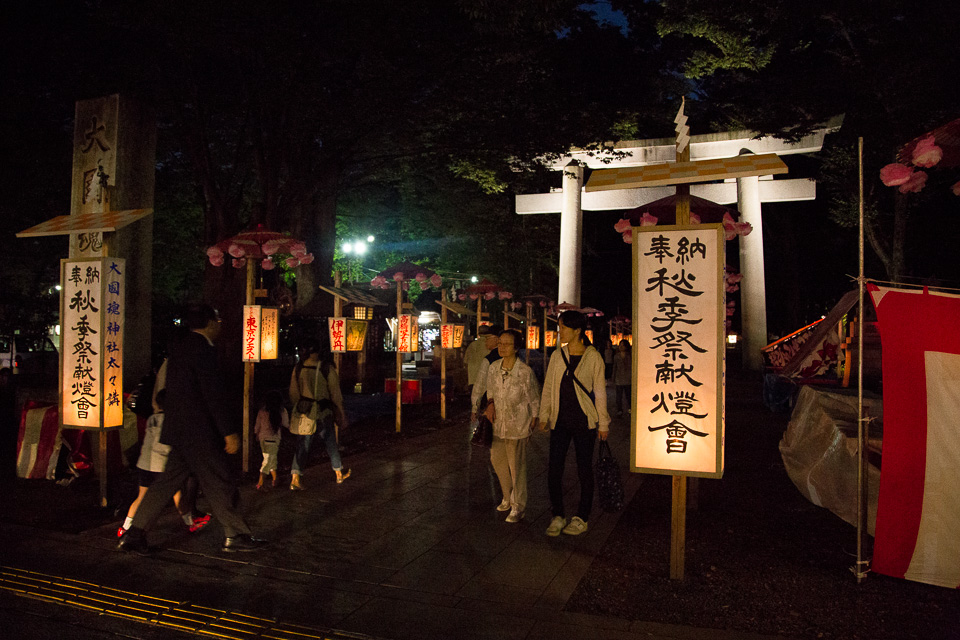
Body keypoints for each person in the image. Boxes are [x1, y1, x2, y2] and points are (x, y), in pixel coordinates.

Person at [118, 303, 266, 554]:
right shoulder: (204, 351)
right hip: (200, 433)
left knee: (164, 484)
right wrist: (228, 431)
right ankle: (235, 534)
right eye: (217, 320)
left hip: (179, 431)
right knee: (218, 482)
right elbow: (212, 394)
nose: (219, 325)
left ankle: (134, 533)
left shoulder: (180, 349)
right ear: (209, 322)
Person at [538, 310, 611, 537]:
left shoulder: (593, 357)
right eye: (559, 327)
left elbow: (600, 392)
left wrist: (603, 423)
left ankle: (582, 517)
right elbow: (549, 387)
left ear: (577, 330)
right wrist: (544, 415)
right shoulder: (558, 356)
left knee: (584, 470)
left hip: (584, 422)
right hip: (560, 421)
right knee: (554, 470)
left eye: (563, 328)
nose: (559, 332)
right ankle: (558, 514)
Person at [117, 389, 211, 538]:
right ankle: (190, 524)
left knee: (141, 497)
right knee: (178, 494)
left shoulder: (152, 418)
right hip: (163, 464)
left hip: (145, 464)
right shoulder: (173, 420)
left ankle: (125, 527)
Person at [483, 329, 539, 523]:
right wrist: (489, 404)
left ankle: (518, 505)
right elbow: (490, 389)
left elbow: (534, 399)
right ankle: (507, 496)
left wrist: (534, 420)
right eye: (500, 343)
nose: (502, 347)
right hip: (498, 424)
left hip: (518, 425)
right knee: (497, 461)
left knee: (517, 467)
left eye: (507, 344)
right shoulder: (494, 367)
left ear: (516, 348)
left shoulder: (524, 372)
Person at [289, 343, 350, 488]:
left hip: (305, 412)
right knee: (330, 442)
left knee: (303, 444)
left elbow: (293, 393)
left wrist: (301, 406)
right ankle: (338, 473)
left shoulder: (299, 368)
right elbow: (335, 393)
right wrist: (341, 412)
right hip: (323, 411)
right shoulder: (326, 368)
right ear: (318, 352)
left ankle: (295, 478)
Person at [255, 390, 287, 490]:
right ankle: (260, 484)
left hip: (262, 439)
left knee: (271, 459)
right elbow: (286, 424)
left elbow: (257, 426)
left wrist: (256, 434)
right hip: (273, 439)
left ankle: (275, 479)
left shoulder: (262, 411)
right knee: (268, 461)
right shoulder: (281, 411)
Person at [470, 324, 503, 421]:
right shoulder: (513, 358)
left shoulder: (489, 360)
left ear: (497, 340)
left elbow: (480, 385)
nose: (486, 341)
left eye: (488, 338)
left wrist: (475, 408)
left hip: (491, 406)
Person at [463, 325, 495, 392]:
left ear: (479, 334)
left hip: (473, 379)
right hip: (487, 380)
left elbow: (465, 362)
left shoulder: (472, 345)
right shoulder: (491, 345)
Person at [611, 340, 631, 417]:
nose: (621, 347)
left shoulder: (630, 355)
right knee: (618, 396)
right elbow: (614, 368)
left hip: (628, 378)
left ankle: (630, 409)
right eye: (620, 345)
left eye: (623, 345)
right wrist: (613, 378)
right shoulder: (616, 356)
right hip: (619, 378)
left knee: (628, 396)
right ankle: (619, 410)